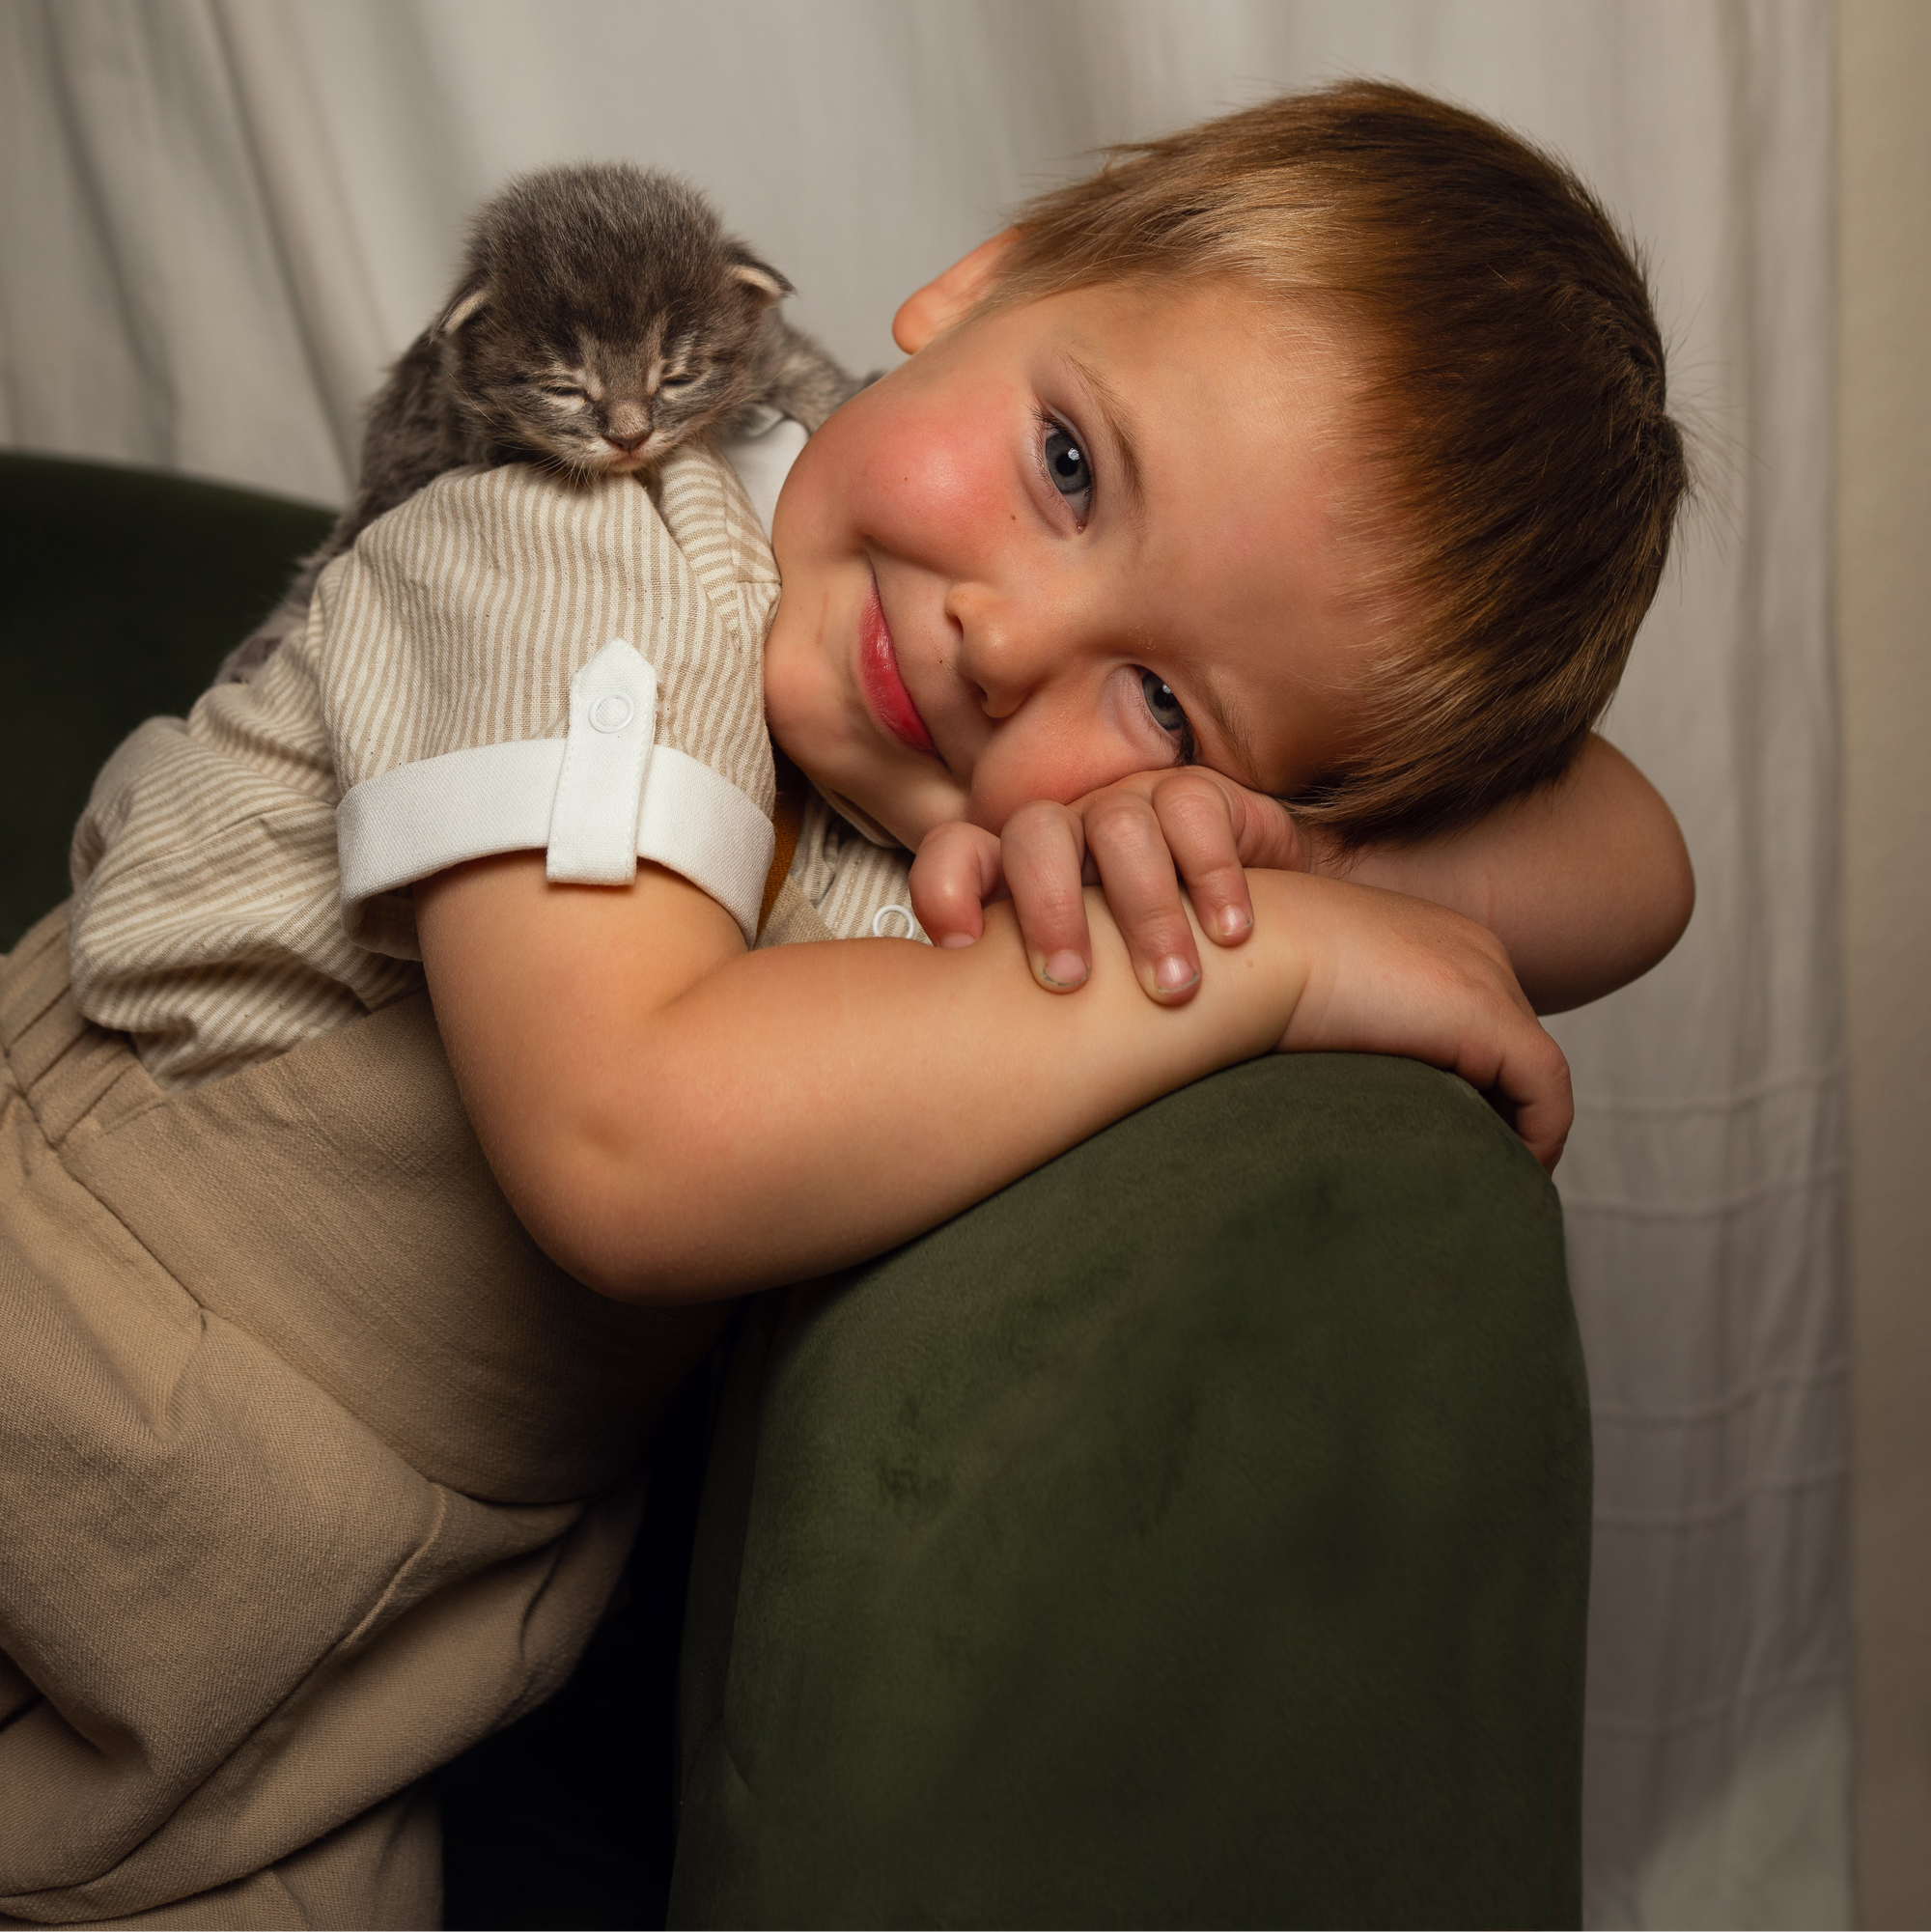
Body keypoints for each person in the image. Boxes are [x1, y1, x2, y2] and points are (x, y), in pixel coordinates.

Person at [0, 81, 1690, 1927]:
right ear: (981, 284)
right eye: (1069, 467)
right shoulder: (581, 546)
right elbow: (626, 1140)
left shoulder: (966, 830)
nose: (1011, 645)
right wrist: (1262, 951)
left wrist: (1244, 830)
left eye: (1167, 702)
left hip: (289, 1720)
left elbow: (1635, 865)